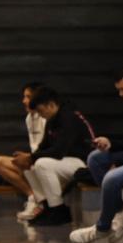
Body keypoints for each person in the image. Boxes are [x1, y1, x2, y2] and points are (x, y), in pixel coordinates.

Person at [68, 63, 123, 243]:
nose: (121, 94)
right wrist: (111, 143)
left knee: (111, 178)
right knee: (96, 158)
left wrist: (120, 162)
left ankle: (103, 227)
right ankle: (121, 210)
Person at [13, 87, 94, 226]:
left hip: (83, 163)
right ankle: (46, 207)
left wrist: (32, 158)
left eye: (40, 111)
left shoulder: (69, 117)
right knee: (29, 166)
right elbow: (43, 146)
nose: (40, 114)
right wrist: (28, 158)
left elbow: (59, 151)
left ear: (51, 105)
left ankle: (59, 210)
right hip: (65, 162)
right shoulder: (52, 119)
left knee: (41, 163)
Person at [0, 82, 47, 219]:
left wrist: (31, 157)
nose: (24, 101)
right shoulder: (29, 118)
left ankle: (41, 201)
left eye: (28, 97)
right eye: (24, 97)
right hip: (34, 160)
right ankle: (33, 197)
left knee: (27, 162)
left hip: (46, 160)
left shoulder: (46, 116)